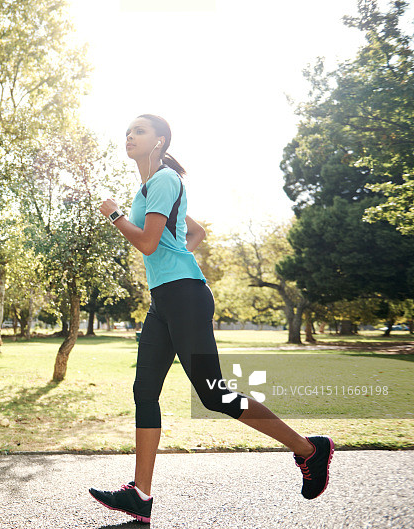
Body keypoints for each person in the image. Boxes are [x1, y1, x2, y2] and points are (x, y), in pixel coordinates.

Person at [88, 114, 333, 525]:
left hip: (184, 297)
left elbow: (148, 243)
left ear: (160, 141)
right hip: (164, 300)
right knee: (144, 390)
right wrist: (175, 254)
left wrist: (115, 216)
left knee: (214, 395)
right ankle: (140, 496)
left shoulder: (164, 180)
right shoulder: (150, 187)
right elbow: (193, 231)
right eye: (127, 131)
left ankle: (310, 450)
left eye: (140, 131)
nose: (130, 136)